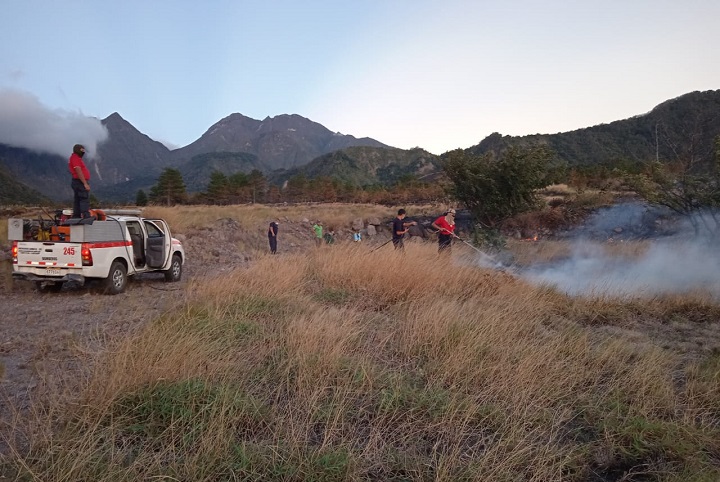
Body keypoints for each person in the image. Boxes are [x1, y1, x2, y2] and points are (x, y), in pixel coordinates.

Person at [68, 144, 91, 219]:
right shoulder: (75, 158)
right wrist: (85, 183)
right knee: (83, 198)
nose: (83, 153)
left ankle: (76, 216)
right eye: (82, 151)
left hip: (77, 181)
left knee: (77, 200)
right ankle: (85, 215)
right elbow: (78, 170)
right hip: (79, 181)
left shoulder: (75, 158)